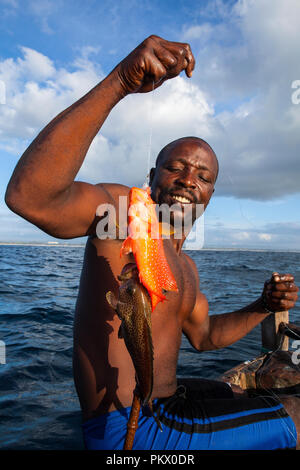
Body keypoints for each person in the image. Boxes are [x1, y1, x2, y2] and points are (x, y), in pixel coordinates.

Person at [5, 35, 299, 450]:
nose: (187, 180)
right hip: (129, 429)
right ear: (153, 175)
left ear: (211, 195)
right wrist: (121, 81)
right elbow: (29, 196)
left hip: (166, 402)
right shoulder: (122, 214)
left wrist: (263, 307)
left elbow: (205, 337)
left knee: (252, 390)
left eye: (203, 176)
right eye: (176, 167)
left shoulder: (188, 268)